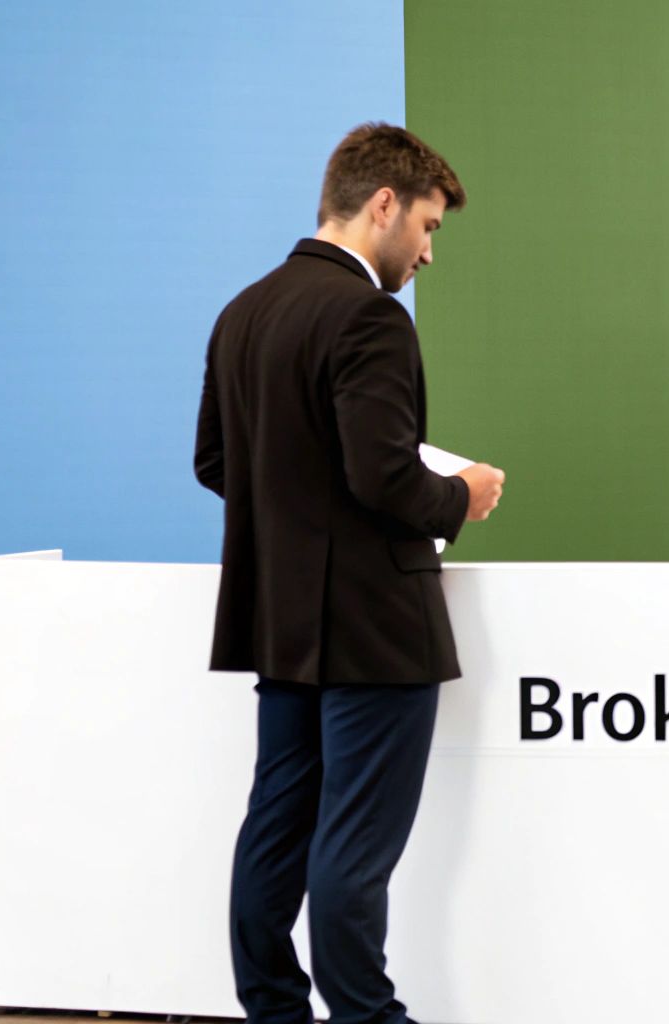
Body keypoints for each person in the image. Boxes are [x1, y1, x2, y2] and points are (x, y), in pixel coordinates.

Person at [194, 122, 506, 1024]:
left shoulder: (243, 311)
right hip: (374, 626)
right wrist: (464, 494)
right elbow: (384, 477)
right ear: (384, 204)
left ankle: (273, 1011)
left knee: (276, 825)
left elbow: (217, 464)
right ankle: (368, 1017)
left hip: (281, 623)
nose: (428, 252)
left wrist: (306, 513)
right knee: (354, 849)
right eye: (429, 226)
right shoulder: (370, 316)